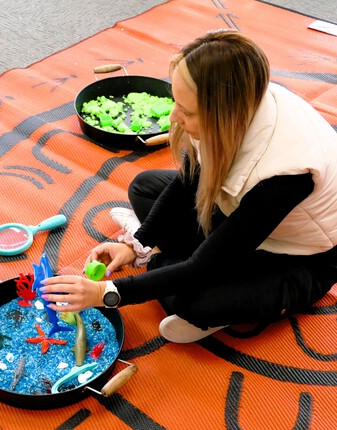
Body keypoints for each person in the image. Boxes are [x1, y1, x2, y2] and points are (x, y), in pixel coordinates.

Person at [40, 30, 337, 343]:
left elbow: (203, 267)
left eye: (188, 112)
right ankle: (164, 263)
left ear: (222, 116)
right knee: (144, 188)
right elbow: (187, 179)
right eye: (176, 102)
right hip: (241, 216)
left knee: (196, 300)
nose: (174, 117)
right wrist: (135, 244)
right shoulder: (231, 102)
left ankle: (175, 276)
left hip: (300, 256)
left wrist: (107, 292)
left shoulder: (287, 173)